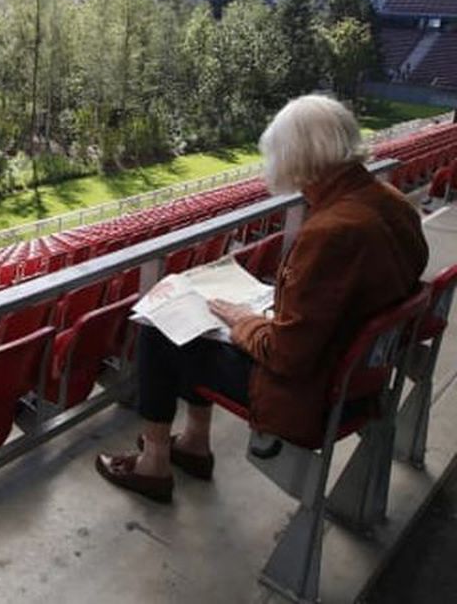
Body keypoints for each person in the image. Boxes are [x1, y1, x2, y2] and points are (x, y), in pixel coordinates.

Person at [95, 94, 428, 502]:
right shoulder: (392, 204)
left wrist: (242, 320)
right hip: (353, 374)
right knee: (204, 325)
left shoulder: (331, 233)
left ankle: (155, 464)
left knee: (160, 330)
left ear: (298, 157)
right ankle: (194, 445)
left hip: (307, 393)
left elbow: (287, 353)